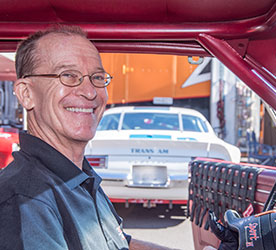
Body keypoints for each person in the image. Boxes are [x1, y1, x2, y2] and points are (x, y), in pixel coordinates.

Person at [0, 25, 173, 250]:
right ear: (26, 94)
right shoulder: (25, 201)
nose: (90, 92)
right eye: (69, 75)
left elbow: (120, 243)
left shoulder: (79, 177)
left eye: (97, 77)